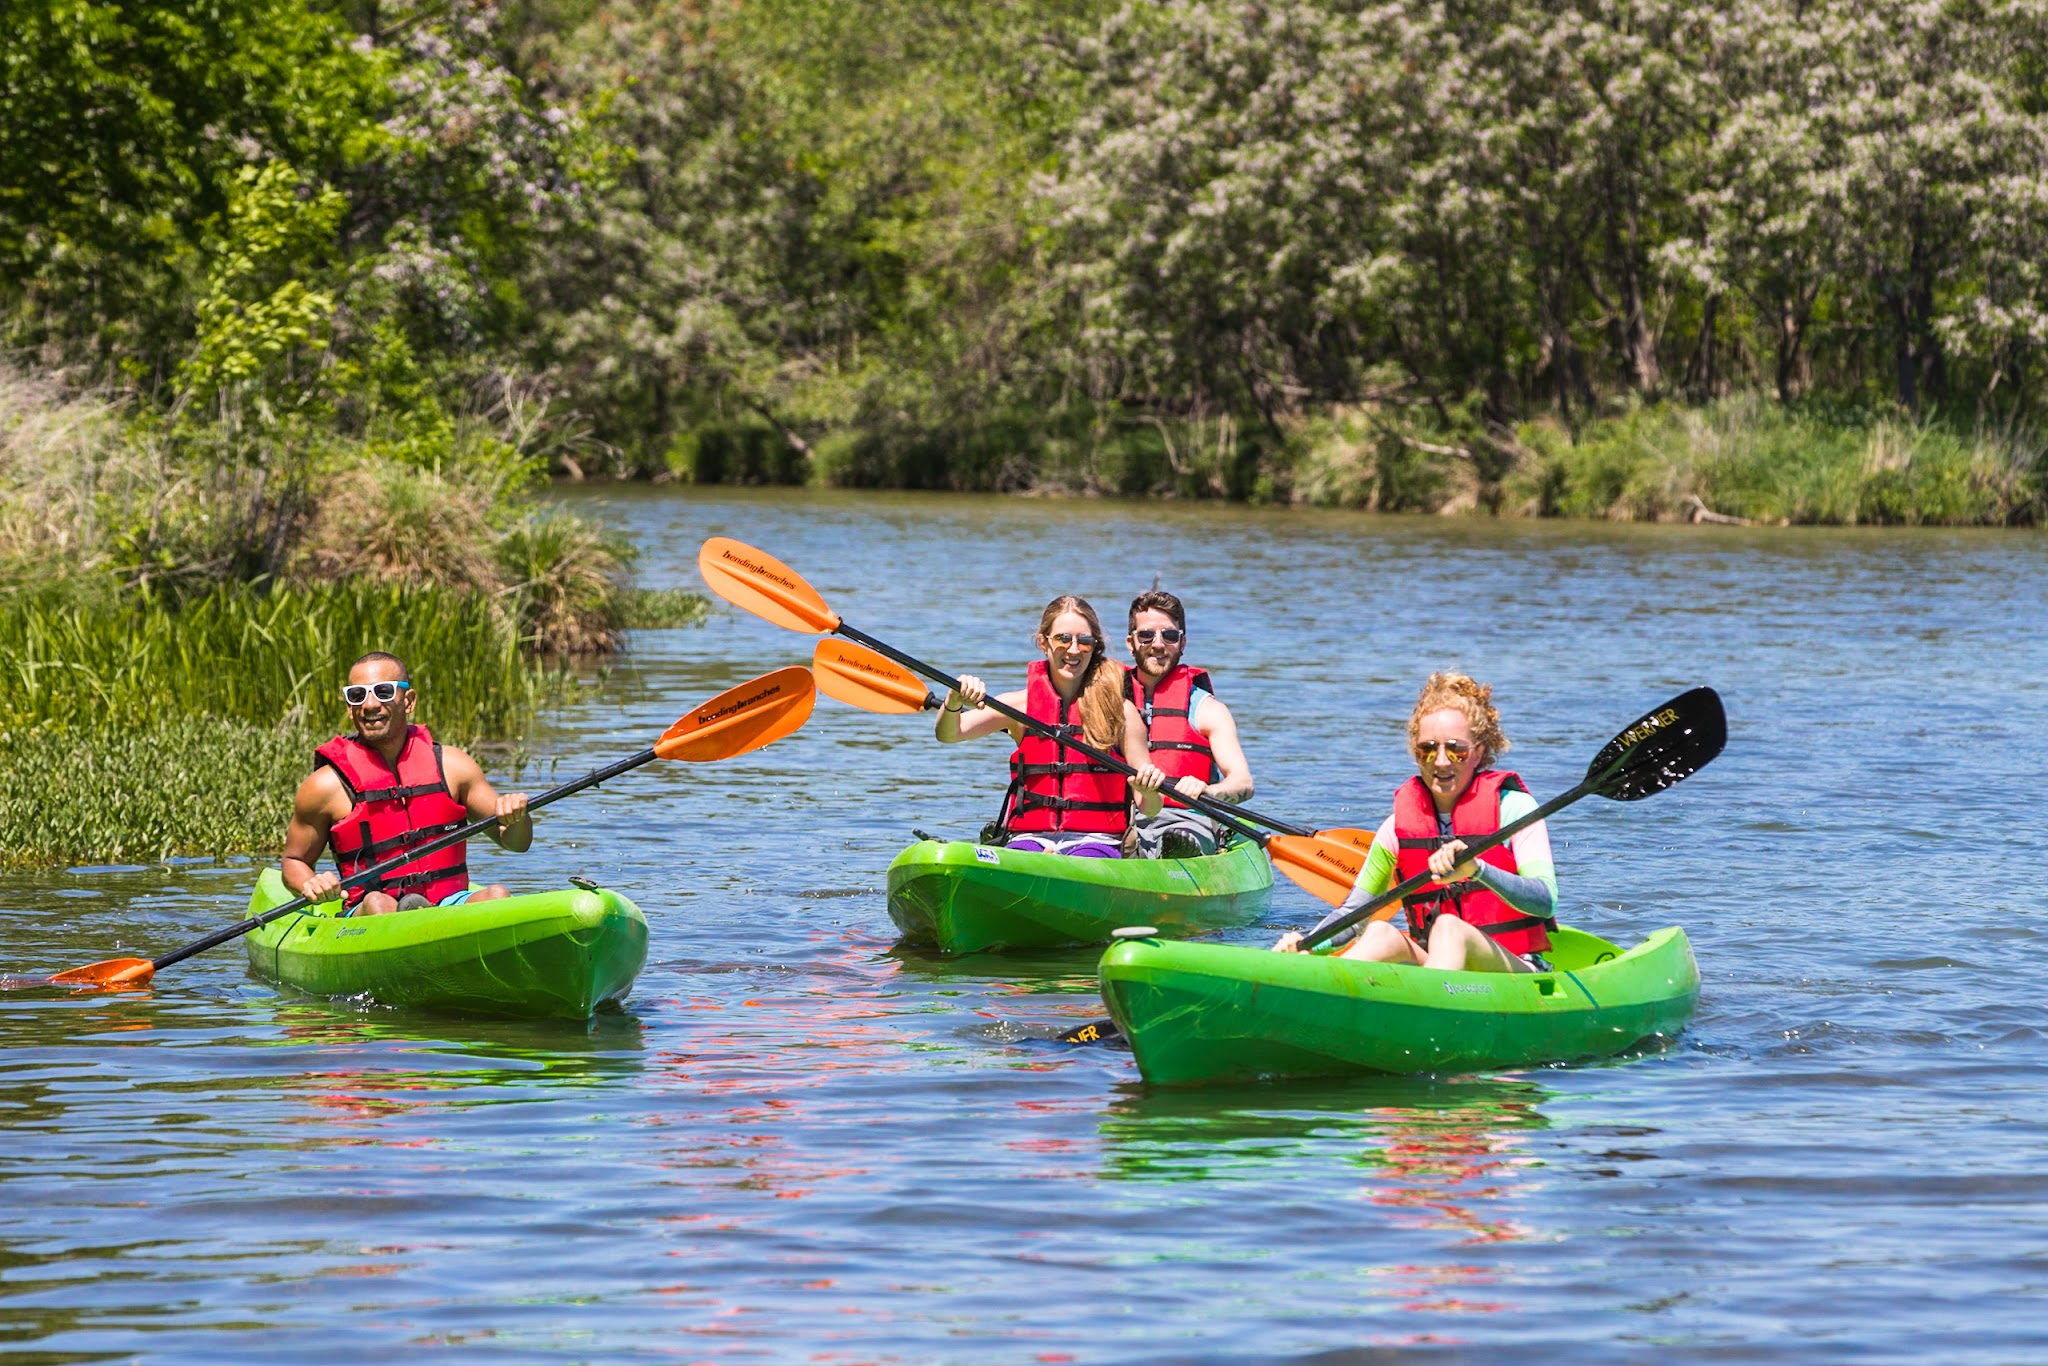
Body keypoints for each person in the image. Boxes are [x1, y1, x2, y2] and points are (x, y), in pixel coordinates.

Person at [1275, 672, 1558, 972]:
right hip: (1437, 965)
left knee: (1450, 928)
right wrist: (1308, 943)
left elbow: (1544, 900)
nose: (1441, 761)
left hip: (1517, 969)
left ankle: (1434, 1009)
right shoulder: (1396, 829)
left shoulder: (1515, 809)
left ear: (1479, 752)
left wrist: (1477, 871)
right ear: (1416, 753)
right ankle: (1319, 983)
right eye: (1428, 749)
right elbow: (1355, 914)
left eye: (1455, 749)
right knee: (1381, 933)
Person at [281, 651, 532, 916]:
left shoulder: (453, 766)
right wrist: (310, 882)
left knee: (497, 895)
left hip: (448, 904)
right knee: (379, 904)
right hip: (368, 912)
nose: (369, 705)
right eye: (357, 695)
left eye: (383, 692)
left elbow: (516, 843)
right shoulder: (325, 786)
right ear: (349, 706)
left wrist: (517, 819)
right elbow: (293, 861)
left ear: (409, 701)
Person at [937, 595, 1164, 857]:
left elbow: (1150, 807)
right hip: (1028, 838)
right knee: (1024, 855)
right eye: (1063, 639)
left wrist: (1149, 792)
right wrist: (954, 699)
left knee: (1080, 857)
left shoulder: (1121, 712)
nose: (1074, 649)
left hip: (1098, 842)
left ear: (1095, 646)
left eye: (1084, 641)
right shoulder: (1019, 706)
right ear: (1044, 642)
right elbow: (948, 734)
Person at [1123, 590, 1255, 858]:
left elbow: (1243, 782)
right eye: (1146, 635)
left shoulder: (1208, 710)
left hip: (1185, 821)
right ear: (1131, 643)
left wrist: (1210, 791)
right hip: (1121, 823)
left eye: (1169, 636)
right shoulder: (1105, 700)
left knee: (1179, 838)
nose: (1158, 644)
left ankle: (1178, 858)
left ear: (1182, 643)